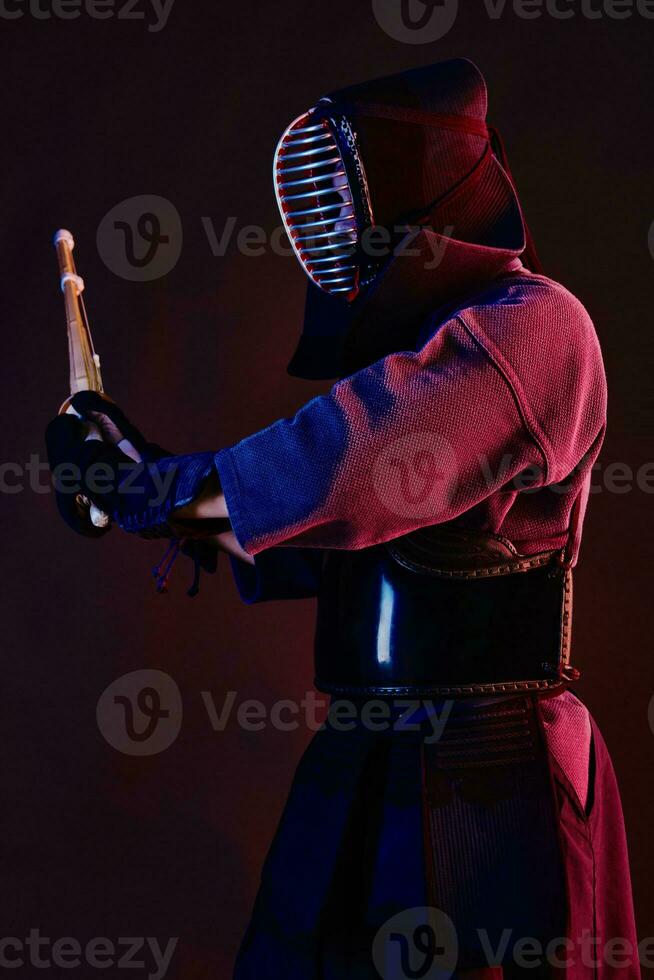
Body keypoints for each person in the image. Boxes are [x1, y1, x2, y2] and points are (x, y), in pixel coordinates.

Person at [46, 59, 639, 979]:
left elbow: (350, 475)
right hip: (369, 760)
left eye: (349, 194)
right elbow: (316, 536)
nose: (337, 228)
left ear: (418, 183)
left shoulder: (533, 327)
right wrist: (145, 482)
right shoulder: (424, 351)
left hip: (489, 781)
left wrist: (147, 486)